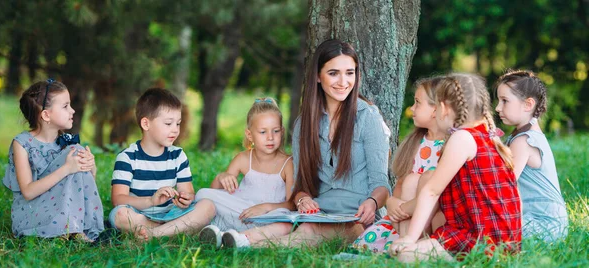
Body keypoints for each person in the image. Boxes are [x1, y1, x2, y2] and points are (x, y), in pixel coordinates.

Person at [220, 39, 391, 249]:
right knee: (291, 224)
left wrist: (372, 203)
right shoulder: (304, 124)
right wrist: (302, 199)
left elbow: (381, 184)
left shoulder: (367, 117)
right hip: (320, 213)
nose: (343, 81)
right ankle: (237, 238)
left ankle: (245, 245)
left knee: (306, 232)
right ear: (318, 77)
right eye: (333, 73)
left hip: (357, 218)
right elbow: (301, 184)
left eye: (350, 72)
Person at [390, 73, 522, 262]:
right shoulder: (488, 136)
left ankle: (422, 249)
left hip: (479, 241)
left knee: (406, 256)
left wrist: (409, 238)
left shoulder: (462, 138)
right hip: (501, 241)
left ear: (442, 108)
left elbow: (432, 191)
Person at [351, 76, 447, 254]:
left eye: (418, 103)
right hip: (404, 216)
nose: (412, 108)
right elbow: (401, 185)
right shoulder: (416, 143)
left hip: (434, 216)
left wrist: (404, 208)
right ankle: (406, 243)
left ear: (436, 109)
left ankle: (409, 244)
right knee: (410, 181)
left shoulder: (451, 146)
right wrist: (392, 202)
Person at [3, 79, 104, 241]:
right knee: (74, 153)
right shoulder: (22, 144)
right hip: (33, 214)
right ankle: (65, 230)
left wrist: (91, 168)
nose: (72, 111)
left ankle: (78, 229)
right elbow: (28, 192)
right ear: (46, 114)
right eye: (65, 106)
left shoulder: (68, 143)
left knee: (76, 151)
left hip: (65, 210)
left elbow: (80, 189)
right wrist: (66, 168)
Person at [109, 88, 215, 241]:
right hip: (140, 214)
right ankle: (176, 231)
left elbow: (189, 193)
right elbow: (118, 199)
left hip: (171, 214)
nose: (175, 130)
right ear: (146, 124)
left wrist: (185, 198)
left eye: (178, 124)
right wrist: (150, 201)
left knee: (208, 206)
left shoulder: (178, 155)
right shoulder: (127, 157)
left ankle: (152, 234)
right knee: (119, 215)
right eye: (168, 123)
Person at [195, 97, 294, 248]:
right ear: (249, 135)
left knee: (286, 223)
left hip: (269, 217)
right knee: (202, 194)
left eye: (276, 131)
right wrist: (222, 177)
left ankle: (230, 237)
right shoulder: (242, 158)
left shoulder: (288, 163)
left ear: (282, 131)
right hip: (241, 213)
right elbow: (216, 190)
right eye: (262, 132)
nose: (270, 137)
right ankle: (226, 235)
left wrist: (264, 207)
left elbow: (292, 204)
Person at [495, 70, 568, 242]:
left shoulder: (524, 141)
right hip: (547, 221)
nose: (497, 108)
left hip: (544, 225)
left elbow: (503, 185)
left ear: (528, 105)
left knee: (483, 229)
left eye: (504, 101)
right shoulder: (524, 135)